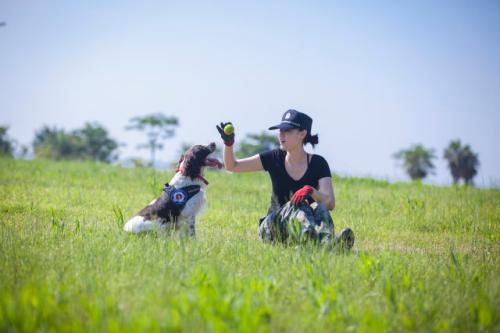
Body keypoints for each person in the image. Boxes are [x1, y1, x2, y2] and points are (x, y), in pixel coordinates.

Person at [216, 109, 354, 249]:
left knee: (319, 207)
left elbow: (330, 203)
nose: (281, 134)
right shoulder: (273, 158)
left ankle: (325, 244)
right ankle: (324, 245)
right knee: (299, 206)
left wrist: (310, 191)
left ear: (302, 134)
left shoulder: (318, 163)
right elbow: (232, 166)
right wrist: (228, 144)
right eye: (280, 130)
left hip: (304, 222)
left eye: (287, 130)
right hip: (272, 227)